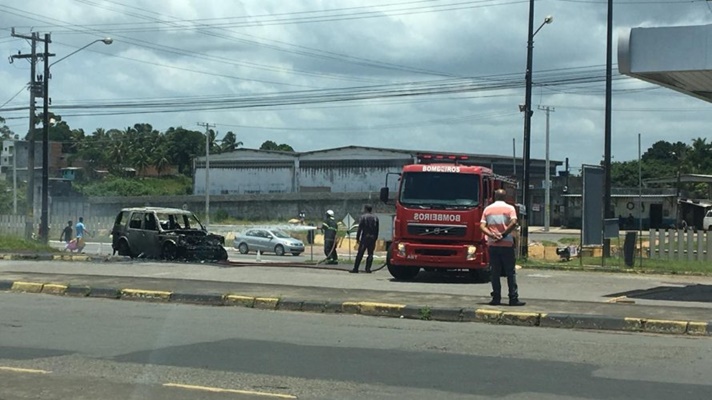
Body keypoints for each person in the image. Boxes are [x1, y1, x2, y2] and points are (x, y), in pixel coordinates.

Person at [480, 189, 525, 306]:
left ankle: (496, 298)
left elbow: (482, 226)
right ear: (505, 197)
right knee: (510, 272)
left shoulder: (488, 209)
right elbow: (514, 222)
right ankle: (513, 298)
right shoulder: (510, 208)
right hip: (507, 244)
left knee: (495, 272)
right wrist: (504, 234)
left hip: (493, 244)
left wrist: (491, 235)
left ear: (494, 197)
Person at [351, 204, 379, 273]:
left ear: (366, 209)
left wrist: (357, 238)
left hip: (365, 238)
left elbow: (360, 228)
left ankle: (356, 268)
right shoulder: (376, 218)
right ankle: (368, 269)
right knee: (370, 254)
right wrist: (375, 238)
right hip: (372, 238)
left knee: (360, 253)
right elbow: (377, 229)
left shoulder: (363, 217)